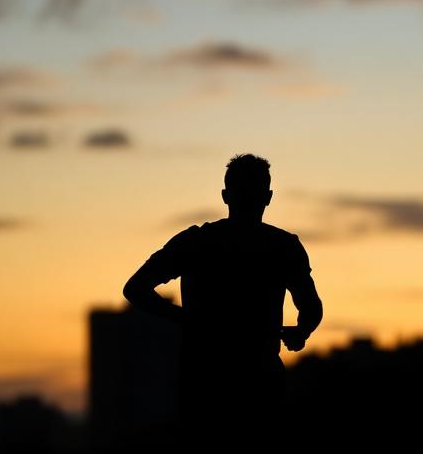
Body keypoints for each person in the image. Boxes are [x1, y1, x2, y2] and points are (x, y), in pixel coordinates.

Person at [122, 152, 323, 429]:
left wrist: (186, 319)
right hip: (259, 386)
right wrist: (300, 332)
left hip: (205, 386)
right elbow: (311, 309)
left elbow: (135, 289)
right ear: (268, 197)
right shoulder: (283, 247)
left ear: (226, 196)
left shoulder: (195, 242)